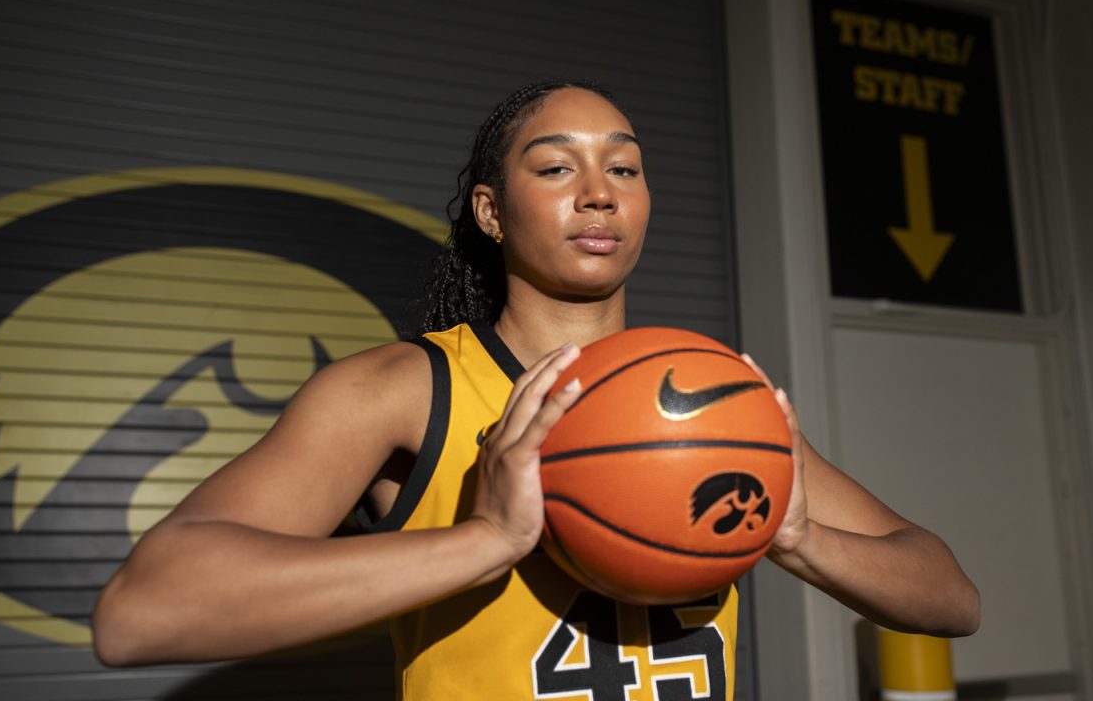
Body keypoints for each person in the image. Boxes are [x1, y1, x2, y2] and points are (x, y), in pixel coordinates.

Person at [92, 79, 979, 697]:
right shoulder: (406, 390)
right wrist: (485, 539)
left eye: (624, 169)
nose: (599, 194)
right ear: (490, 210)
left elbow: (951, 597)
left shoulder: (709, 396)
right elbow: (143, 614)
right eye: (557, 168)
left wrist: (802, 537)